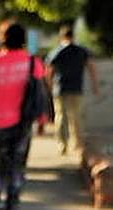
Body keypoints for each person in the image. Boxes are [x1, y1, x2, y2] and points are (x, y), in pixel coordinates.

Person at [0, 20, 46, 210]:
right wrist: (41, 121)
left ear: (2, 38)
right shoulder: (33, 63)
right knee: (17, 169)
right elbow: (39, 94)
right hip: (23, 125)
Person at [46, 23, 100, 155]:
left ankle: (62, 144)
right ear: (73, 36)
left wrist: (49, 86)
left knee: (60, 117)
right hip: (76, 88)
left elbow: (48, 71)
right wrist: (95, 85)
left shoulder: (56, 52)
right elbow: (91, 68)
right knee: (76, 117)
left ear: (61, 36)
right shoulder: (82, 51)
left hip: (60, 88)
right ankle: (78, 144)